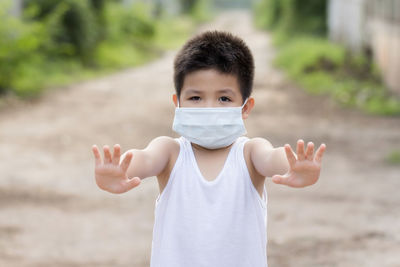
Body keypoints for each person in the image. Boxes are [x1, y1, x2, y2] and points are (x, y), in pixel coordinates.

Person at [92, 30, 326, 267]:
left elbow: (274, 158)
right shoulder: (169, 152)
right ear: (178, 103)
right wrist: (119, 172)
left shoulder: (250, 153)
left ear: (245, 107)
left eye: (224, 99)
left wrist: (295, 167)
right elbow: (143, 160)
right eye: (195, 98)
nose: (208, 108)